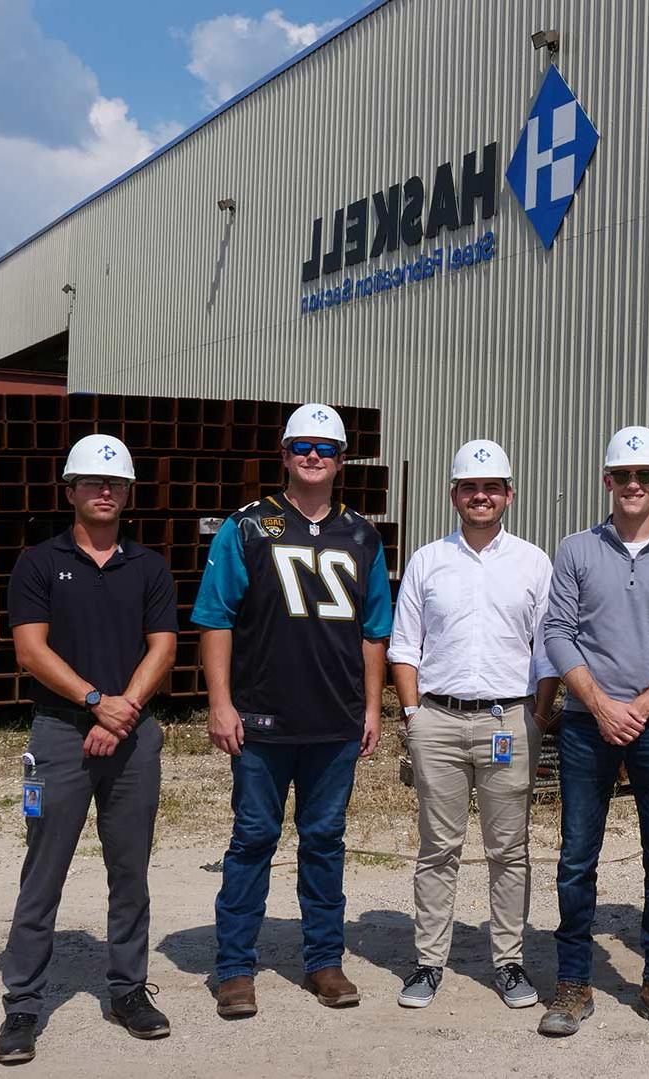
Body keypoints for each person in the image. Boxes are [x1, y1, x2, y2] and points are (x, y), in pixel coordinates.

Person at [193, 403, 392, 1016]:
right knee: (253, 838)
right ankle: (233, 968)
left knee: (325, 841)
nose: (313, 456)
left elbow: (374, 629)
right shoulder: (247, 527)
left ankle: (325, 962)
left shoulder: (361, 534)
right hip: (261, 719)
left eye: (326, 448)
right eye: (302, 446)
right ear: (283, 455)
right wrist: (220, 703)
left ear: (340, 461)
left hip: (334, 721)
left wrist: (372, 707)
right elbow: (215, 619)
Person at [0, 434, 177, 1065]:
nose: (105, 492)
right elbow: (31, 651)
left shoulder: (148, 566)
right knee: (44, 869)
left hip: (131, 736)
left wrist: (121, 712)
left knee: (130, 871)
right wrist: (97, 701)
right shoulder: (39, 563)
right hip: (59, 735)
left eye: (116, 484)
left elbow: (163, 647)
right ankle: (23, 1002)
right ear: (70, 491)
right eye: (93, 483)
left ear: (128, 495)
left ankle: (128, 990)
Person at [535, 425, 649, 1038]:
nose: (632, 485)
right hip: (588, 726)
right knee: (575, 858)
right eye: (621, 476)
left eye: (644, 476)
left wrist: (637, 706)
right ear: (607, 481)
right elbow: (557, 633)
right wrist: (600, 704)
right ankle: (573, 981)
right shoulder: (576, 550)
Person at [388, 439, 560, 1010]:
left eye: (491, 487)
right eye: (469, 487)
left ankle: (508, 963)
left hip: (508, 720)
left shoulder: (534, 563)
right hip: (437, 719)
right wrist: (413, 715)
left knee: (508, 849)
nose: (480, 496)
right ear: (454, 494)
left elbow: (549, 648)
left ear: (509, 494)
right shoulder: (427, 561)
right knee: (438, 847)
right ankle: (428, 963)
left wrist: (537, 714)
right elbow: (404, 643)